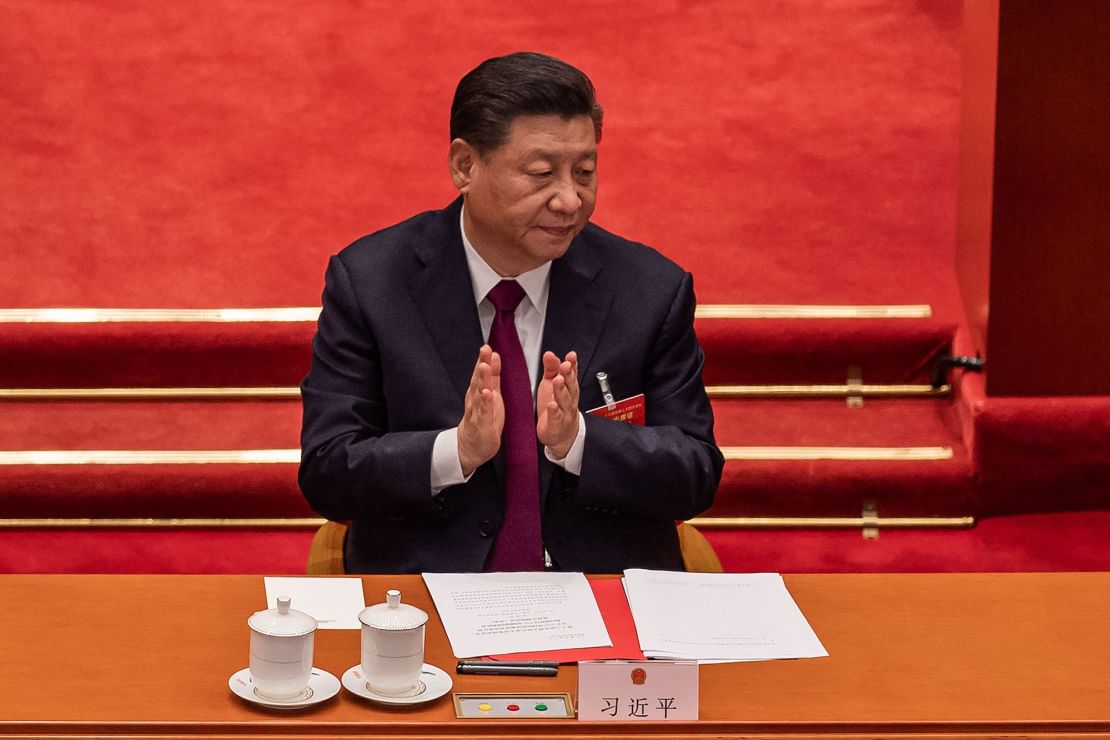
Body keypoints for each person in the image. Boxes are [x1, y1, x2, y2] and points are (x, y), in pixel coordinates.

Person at [299, 51, 723, 574]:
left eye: (585, 172)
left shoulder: (649, 289)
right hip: (429, 596)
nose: (570, 200)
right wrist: (456, 450)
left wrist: (579, 441)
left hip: (602, 590)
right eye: (541, 174)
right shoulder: (372, 282)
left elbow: (697, 474)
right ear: (464, 165)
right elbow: (327, 472)